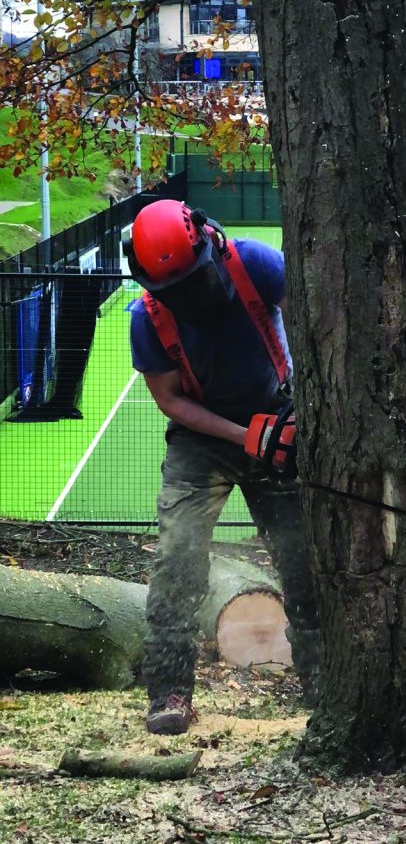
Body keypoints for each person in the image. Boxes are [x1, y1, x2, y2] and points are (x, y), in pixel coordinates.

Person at [124, 199, 319, 736]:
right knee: (179, 560)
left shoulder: (258, 264)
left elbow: (311, 331)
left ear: (208, 243)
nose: (190, 297)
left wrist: (298, 412)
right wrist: (241, 437)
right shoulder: (147, 319)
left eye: (193, 281)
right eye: (175, 290)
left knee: (302, 556)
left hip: (277, 413)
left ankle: (324, 682)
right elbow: (171, 400)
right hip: (202, 436)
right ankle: (169, 691)